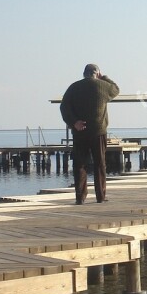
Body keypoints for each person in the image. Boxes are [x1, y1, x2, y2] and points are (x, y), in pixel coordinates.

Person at [60, 64, 120, 203]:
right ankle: (100, 196)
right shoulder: (103, 86)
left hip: (79, 131)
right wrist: (103, 77)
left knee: (80, 164)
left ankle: (80, 197)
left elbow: (64, 107)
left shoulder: (74, 87)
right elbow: (116, 89)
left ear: (84, 74)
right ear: (97, 74)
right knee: (100, 164)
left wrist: (74, 122)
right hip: (98, 131)